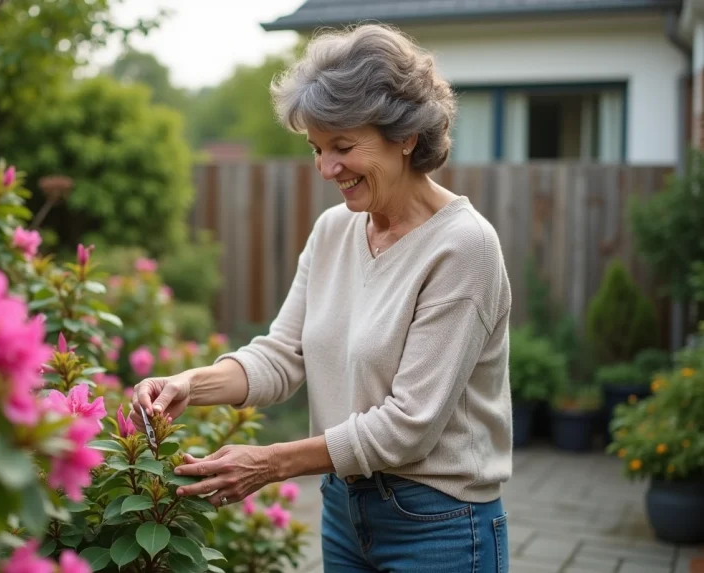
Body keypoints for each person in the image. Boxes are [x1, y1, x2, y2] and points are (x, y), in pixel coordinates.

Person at [131, 23, 513, 573]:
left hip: (439, 525)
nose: (326, 169)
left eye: (343, 146)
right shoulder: (335, 229)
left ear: (405, 135)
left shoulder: (463, 248)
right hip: (344, 509)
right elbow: (283, 356)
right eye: (316, 148)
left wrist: (269, 463)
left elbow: (407, 426)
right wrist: (189, 384)